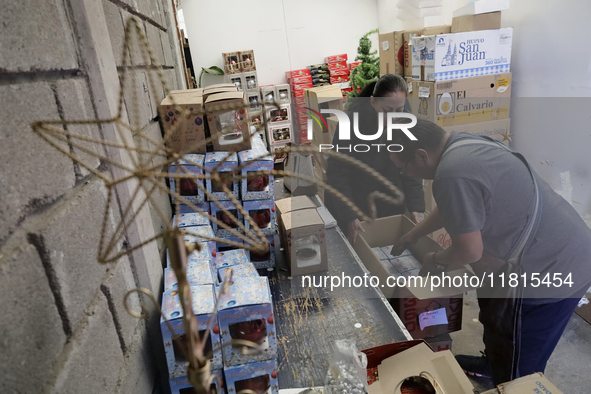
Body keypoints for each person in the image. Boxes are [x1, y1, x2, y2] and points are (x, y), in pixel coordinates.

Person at [389, 119, 591, 385]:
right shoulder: (463, 145)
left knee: (522, 354)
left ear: (421, 155)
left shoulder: (451, 173)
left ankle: (511, 382)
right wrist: (413, 234)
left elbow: (470, 251)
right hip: (565, 245)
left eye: (404, 169)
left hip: (549, 269)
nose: (406, 175)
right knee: (497, 322)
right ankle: (493, 364)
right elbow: (456, 206)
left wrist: (435, 259)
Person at [325, 74, 425, 244]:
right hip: (354, 199)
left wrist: (416, 207)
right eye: (387, 111)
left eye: (399, 110)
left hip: (389, 199)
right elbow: (338, 174)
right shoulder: (350, 124)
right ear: (372, 102)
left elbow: (411, 168)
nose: (393, 117)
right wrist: (350, 216)